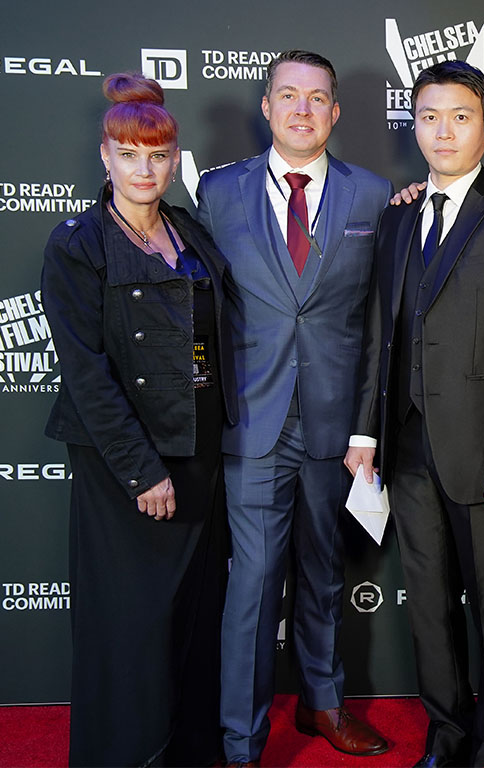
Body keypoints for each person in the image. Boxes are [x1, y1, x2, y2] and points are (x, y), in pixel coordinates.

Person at [346, 61, 484, 768]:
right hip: (404, 446)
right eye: (429, 115)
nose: (443, 129)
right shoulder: (400, 214)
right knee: (429, 609)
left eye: (460, 116)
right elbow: (382, 326)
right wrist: (364, 431)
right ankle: (447, 733)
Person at [195, 50, 392, 765]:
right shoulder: (215, 195)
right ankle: (241, 740)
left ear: (335, 112)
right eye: (288, 96)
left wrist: (366, 424)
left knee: (325, 573)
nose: (303, 110)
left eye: (317, 98)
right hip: (252, 421)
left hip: (339, 427)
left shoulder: (376, 195)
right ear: (267, 107)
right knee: (250, 586)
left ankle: (323, 704)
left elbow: (378, 324)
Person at [42, 72, 237, 767]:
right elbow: (86, 373)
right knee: (130, 629)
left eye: (158, 155)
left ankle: (190, 753)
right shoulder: (78, 243)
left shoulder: (191, 232)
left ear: (176, 159)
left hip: (201, 455)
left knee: (192, 622)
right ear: (105, 157)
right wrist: (140, 471)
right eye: (129, 155)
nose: (144, 169)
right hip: (129, 467)